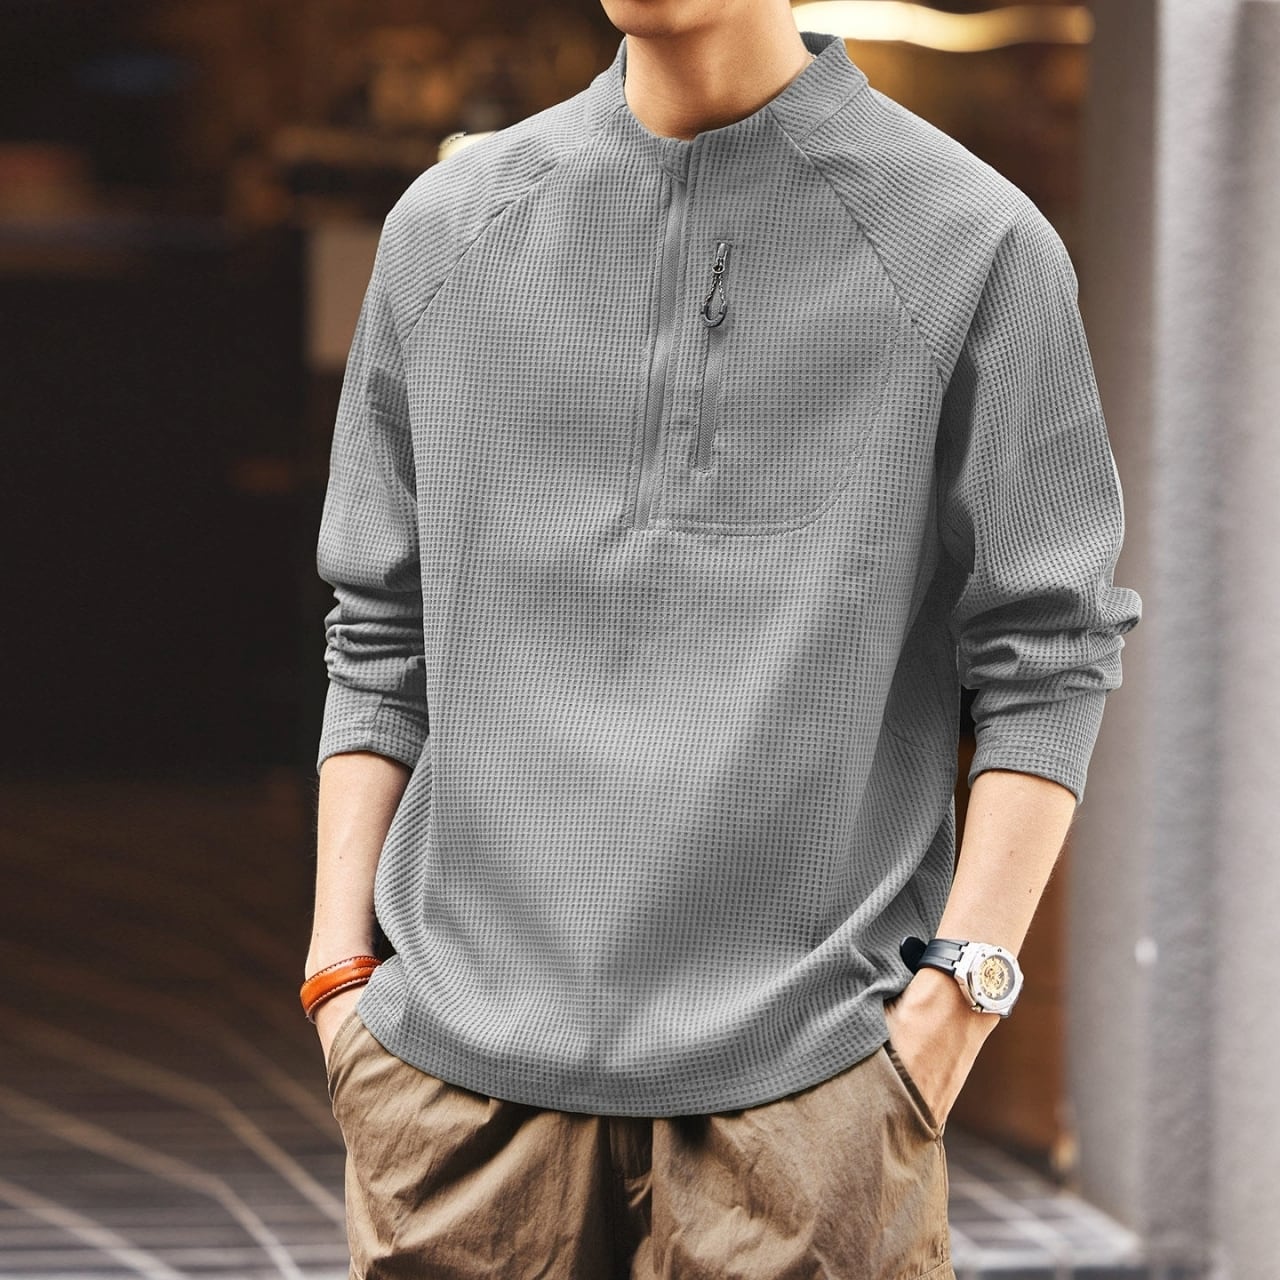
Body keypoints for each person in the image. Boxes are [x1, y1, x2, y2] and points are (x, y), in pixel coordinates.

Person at [303, 1, 1142, 1275]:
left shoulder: (969, 238)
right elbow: (379, 627)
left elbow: (1048, 648)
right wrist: (337, 975)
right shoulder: (446, 226)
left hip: (808, 1090)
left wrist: (952, 1004)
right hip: (451, 1091)